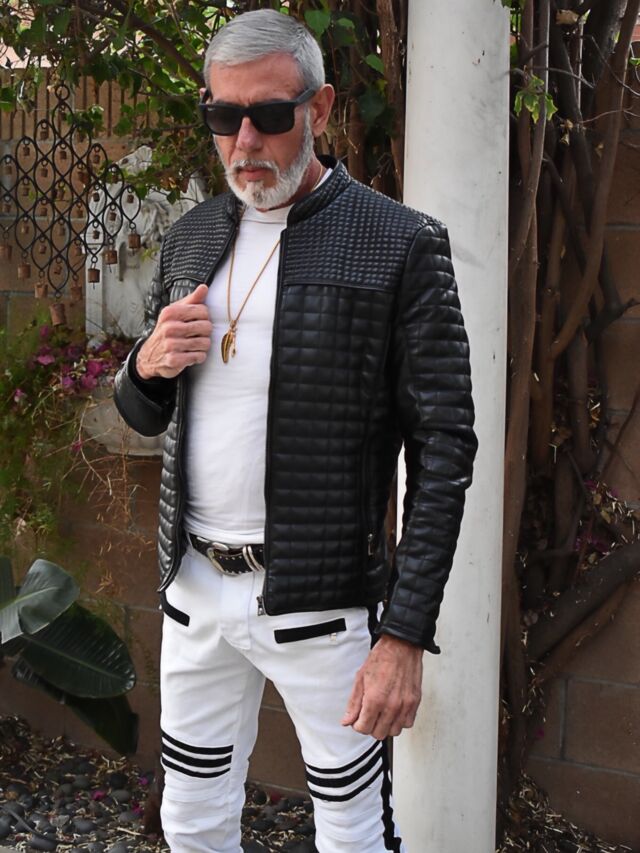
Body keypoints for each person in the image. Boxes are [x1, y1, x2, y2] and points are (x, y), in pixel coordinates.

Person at [114, 9, 477, 853]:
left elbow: (445, 450)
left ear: (319, 108)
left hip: (324, 608)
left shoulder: (398, 243)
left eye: (270, 115)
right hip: (195, 592)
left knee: (353, 832)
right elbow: (144, 414)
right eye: (223, 115)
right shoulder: (192, 239)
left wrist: (405, 634)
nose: (244, 140)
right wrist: (145, 366)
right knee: (190, 819)